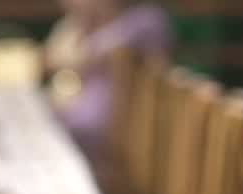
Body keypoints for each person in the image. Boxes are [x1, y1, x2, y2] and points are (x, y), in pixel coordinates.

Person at [44, 0, 171, 157]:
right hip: (87, 128)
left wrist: (82, 33)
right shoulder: (79, 26)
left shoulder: (144, 21)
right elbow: (51, 61)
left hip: (111, 136)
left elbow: (82, 58)